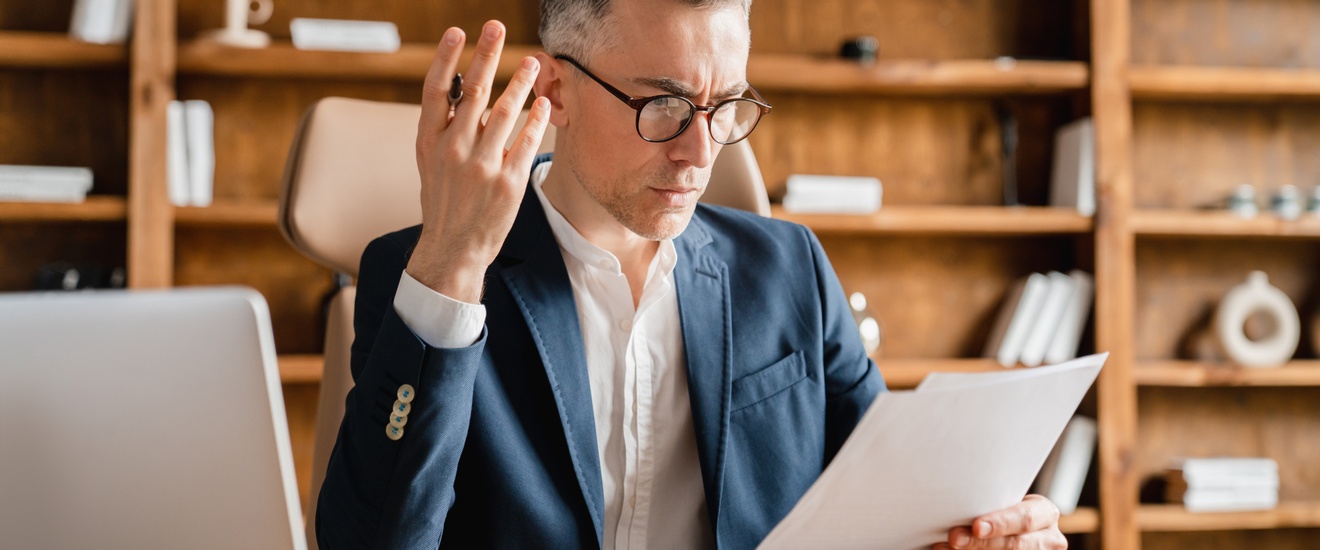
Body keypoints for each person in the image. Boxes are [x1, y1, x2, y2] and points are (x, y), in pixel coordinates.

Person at [315, 1, 1067, 549]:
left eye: (726, 105)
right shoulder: (425, 273)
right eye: (665, 104)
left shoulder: (789, 270)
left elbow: (891, 503)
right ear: (554, 94)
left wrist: (987, 530)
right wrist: (453, 265)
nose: (701, 153)